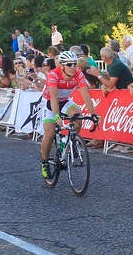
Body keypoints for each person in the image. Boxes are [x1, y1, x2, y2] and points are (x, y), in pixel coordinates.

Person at [40, 50, 98, 180]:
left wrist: (93, 114)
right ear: (62, 66)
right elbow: (54, 97)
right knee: (49, 133)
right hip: (50, 102)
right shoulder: (53, 75)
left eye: (74, 64)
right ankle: (44, 163)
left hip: (65, 101)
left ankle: (68, 142)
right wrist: (56, 116)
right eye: (69, 64)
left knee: (77, 115)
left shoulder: (78, 74)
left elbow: (85, 95)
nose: (73, 67)